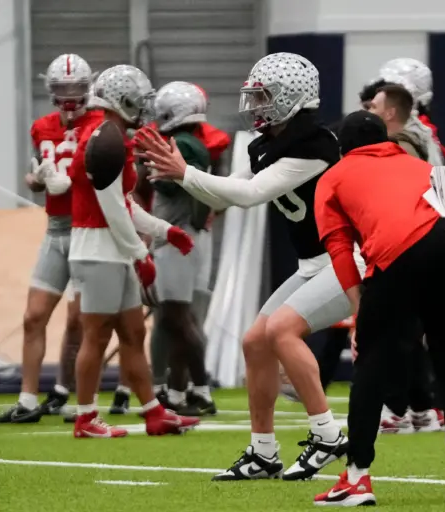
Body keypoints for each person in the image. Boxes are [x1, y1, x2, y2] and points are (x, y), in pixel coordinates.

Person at [136, 52, 353, 481]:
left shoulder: (316, 143)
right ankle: (263, 452)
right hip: (314, 262)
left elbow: (252, 194)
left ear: (292, 97)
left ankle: (328, 434)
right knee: (256, 341)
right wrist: (184, 176)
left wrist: (185, 172)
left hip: (346, 259)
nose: (255, 105)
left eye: (264, 96)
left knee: (279, 331)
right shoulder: (270, 142)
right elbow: (228, 194)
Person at [313, 111, 445, 506]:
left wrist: (359, 312)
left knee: (371, 362)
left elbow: (340, 252)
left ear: (344, 147)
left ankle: (357, 477)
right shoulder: (420, 164)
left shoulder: (333, 177)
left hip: (403, 248)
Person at [68, 64, 201, 438]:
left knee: (131, 332)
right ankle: (85, 418)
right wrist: (141, 255)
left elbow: (123, 203)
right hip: (98, 250)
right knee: (96, 335)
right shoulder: (105, 139)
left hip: (109, 249)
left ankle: (153, 412)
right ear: (120, 98)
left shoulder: (108, 134)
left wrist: (165, 230)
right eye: (137, 100)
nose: (143, 108)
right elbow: (113, 209)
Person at [0, 54, 103, 424]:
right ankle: (27, 400)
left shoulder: (101, 124)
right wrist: (37, 179)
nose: (69, 98)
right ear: (50, 91)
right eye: (62, 90)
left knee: (79, 320)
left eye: (76, 90)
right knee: (33, 316)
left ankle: (76, 396)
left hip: (89, 229)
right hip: (56, 228)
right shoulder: (41, 127)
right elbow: (34, 178)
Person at [366, 83, 444, 433]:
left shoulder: (403, 145)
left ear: (390, 112)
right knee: (408, 330)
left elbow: (402, 197)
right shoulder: (419, 137)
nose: (369, 108)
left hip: (408, 242)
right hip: (419, 241)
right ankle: (421, 408)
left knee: (399, 329)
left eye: (375, 105)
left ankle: (397, 407)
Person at [143, 81, 217, 416]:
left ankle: (200, 389)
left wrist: (147, 167)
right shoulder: (195, 143)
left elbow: (169, 187)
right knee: (177, 320)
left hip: (177, 236)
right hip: (188, 235)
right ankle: (176, 392)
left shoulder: (183, 145)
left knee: (177, 319)